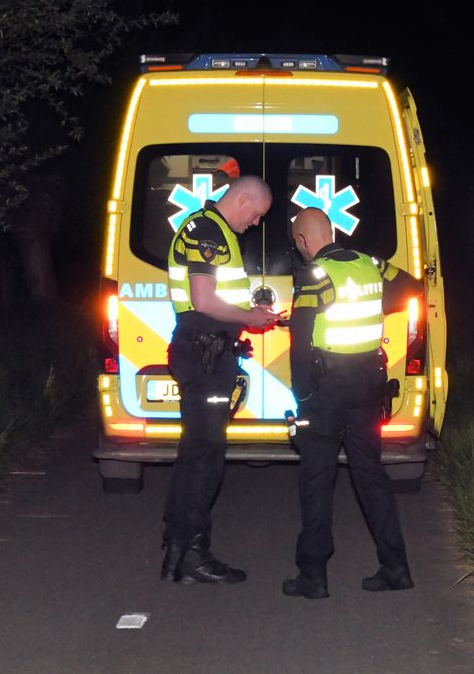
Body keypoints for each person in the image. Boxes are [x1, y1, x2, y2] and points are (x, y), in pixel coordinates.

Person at [282, 207, 423, 599]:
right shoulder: (369, 264)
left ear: (305, 241)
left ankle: (313, 576)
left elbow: (300, 336)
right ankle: (396, 568)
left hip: (326, 391)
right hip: (367, 386)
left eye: (298, 244)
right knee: (371, 476)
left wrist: (301, 392)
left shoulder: (315, 275)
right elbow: (412, 287)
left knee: (317, 480)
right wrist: (380, 304)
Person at [162, 175, 281, 585]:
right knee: (205, 456)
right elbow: (204, 299)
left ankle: (177, 544)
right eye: (257, 214)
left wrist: (250, 310)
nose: (256, 223)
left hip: (207, 351)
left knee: (196, 451)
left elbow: (216, 296)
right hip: (204, 354)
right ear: (243, 198)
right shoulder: (208, 230)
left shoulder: (216, 231)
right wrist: (250, 318)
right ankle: (193, 553)